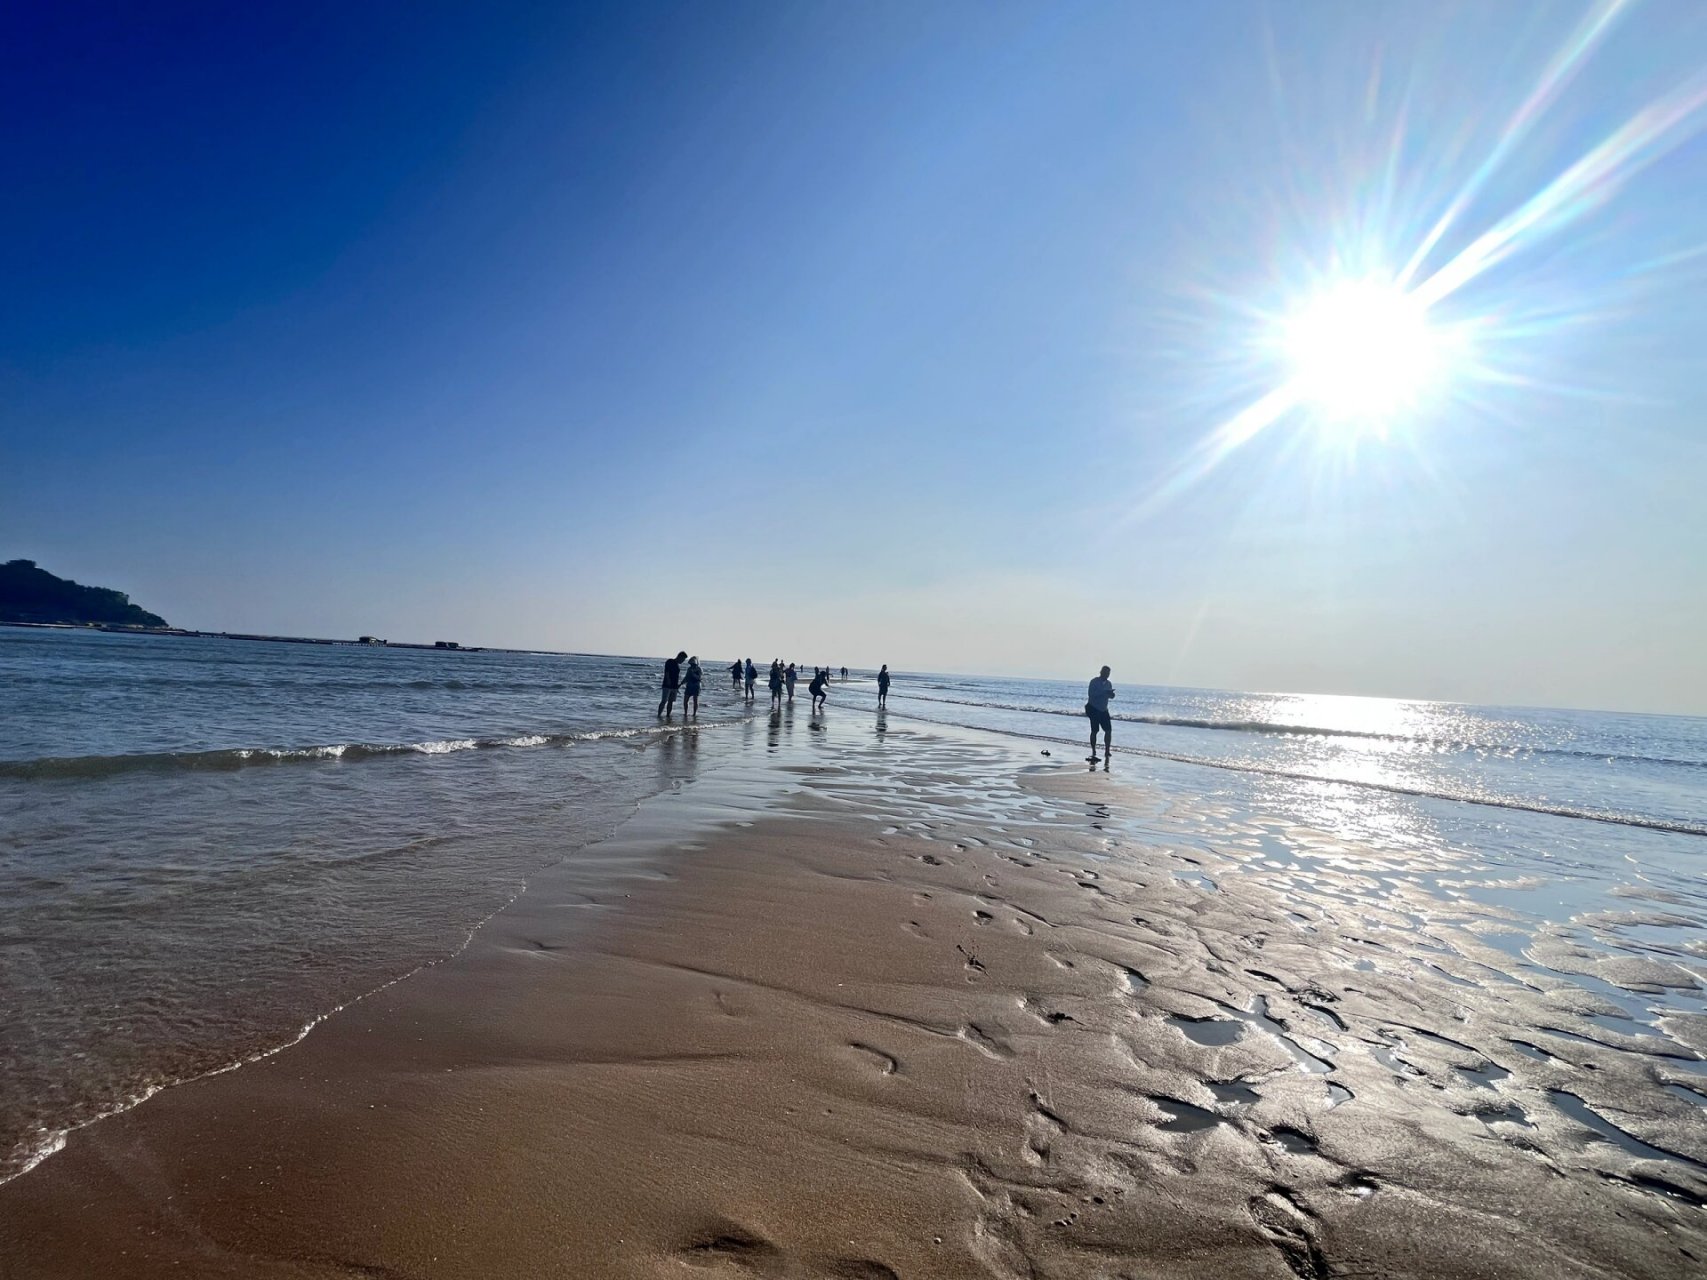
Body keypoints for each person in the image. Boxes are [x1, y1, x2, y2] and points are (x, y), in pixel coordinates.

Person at [1086, 664, 1115, 764]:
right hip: (1093, 708)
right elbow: (1091, 694)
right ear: (1101, 672)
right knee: (1095, 730)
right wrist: (1103, 692)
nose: (1106, 675)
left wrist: (1111, 695)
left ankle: (1107, 750)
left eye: (1108, 673)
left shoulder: (1109, 684)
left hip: (1103, 709)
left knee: (1108, 730)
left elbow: (1110, 696)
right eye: (1105, 672)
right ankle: (1093, 750)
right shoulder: (1094, 682)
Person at [658, 650, 687, 717]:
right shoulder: (670, 661)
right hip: (667, 685)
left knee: (671, 702)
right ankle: (659, 714)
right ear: (680, 657)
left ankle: (668, 715)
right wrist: (668, 681)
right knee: (664, 701)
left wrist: (678, 685)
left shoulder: (677, 665)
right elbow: (667, 672)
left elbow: (676, 676)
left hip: (674, 686)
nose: (682, 661)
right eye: (683, 659)